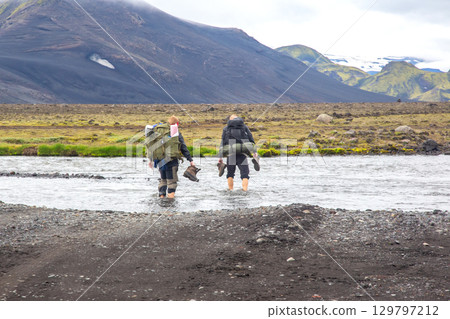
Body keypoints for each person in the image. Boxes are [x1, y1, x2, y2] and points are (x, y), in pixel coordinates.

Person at [146, 115, 195, 199]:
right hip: (171, 161)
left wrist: (150, 160)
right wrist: (190, 160)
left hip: (160, 161)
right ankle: (170, 201)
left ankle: (162, 199)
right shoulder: (175, 132)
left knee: (163, 180)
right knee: (172, 182)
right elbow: (183, 147)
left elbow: (151, 146)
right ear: (176, 123)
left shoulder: (157, 130)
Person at [218, 114, 259, 191]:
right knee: (245, 174)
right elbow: (251, 139)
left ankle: (230, 190)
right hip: (242, 154)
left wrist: (220, 156)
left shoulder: (226, 128)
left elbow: (223, 142)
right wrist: (255, 151)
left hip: (230, 154)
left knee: (230, 174)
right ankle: (245, 190)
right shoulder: (244, 127)